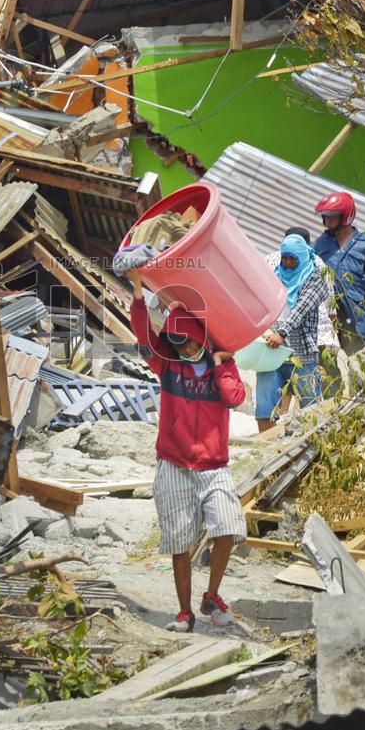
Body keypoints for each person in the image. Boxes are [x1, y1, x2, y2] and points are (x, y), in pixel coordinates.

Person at [126, 269, 247, 632]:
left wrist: (222, 365)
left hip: (213, 466)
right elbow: (143, 332)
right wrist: (136, 288)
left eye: (190, 344)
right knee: (179, 540)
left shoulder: (222, 366)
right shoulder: (167, 366)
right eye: (178, 345)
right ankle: (184, 612)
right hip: (174, 463)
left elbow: (235, 398)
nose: (185, 350)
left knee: (227, 528)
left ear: (201, 339)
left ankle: (211, 596)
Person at [257, 234, 330, 432]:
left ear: (301, 258)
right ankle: (267, 448)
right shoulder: (275, 275)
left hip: (301, 353)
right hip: (271, 351)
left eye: (292, 260)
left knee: (311, 406)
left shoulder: (315, 279)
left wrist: (281, 333)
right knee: (266, 405)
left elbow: (301, 309)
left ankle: (314, 446)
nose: (288, 264)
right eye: (285, 258)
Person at [313, 192, 365, 353]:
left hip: (354, 311)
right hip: (326, 313)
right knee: (328, 363)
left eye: (332, 216)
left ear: (345, 217)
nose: (328, 220)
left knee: (358, 358)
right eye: (325, 217)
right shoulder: (319, 244)